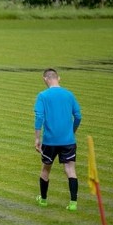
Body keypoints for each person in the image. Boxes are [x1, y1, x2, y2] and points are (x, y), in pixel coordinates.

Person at [34, 68, 82, 211]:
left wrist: (37, 138)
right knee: (70, 170)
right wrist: (71, 131)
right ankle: (73, 203)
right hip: (68, 140)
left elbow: (39, 117)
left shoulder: (43, 96)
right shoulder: (69, 95)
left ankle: (43, 200)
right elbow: (78, 116)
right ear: (58, 78)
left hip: (50, 141)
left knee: (45, 169)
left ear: (45, 79)